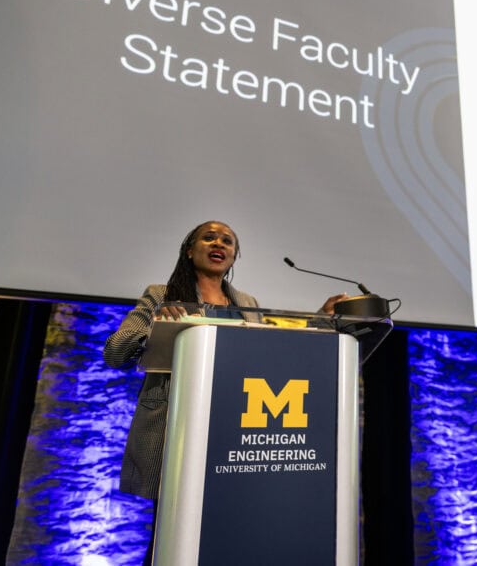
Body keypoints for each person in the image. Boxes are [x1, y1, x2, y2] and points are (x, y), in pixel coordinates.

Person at [103, 221, 345, 559]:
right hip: (177, 428)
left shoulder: (247, 302)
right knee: (172, 536)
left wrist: (320, 320)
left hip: (233, 432)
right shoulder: (160, 295)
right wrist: (158, 326)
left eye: (227, 241)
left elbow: (268, 356)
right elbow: (115, 353)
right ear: (190, 249)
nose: (219, 243)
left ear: (233, 257)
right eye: (209, 237)